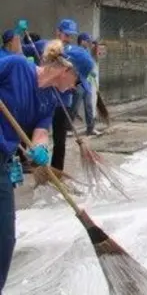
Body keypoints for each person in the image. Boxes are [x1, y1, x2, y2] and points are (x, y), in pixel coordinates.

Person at [0, 42, 95, 290]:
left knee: (5, 239)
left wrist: (41, 148)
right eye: (77, 81)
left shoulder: (50, 99)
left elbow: (41, 131)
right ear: (67, 70)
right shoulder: (17, 66)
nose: (75, 88)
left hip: (2, 161)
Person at [22, 19, 80, 171]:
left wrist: (41, 146)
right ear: (58, 32)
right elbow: (21, 51)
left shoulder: (72, 53)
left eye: (71, 36)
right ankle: (26, 162)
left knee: (58, 139)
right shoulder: (41, 46)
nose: (68, 38)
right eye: (66, 34)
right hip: (39, 95)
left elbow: (42, 129)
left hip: (61, 102)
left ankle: (55, 171)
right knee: (26, 131)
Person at [69, 32, 98, 136]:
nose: (90, 43)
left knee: (89, 106)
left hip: (87, 83)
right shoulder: (75, 52)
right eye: (88, 41)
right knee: (74, 107)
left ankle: (90, 129)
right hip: (79, 83)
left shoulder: (87, 52)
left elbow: (89, 67)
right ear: (82, 41)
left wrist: (91, 75)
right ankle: (68, 129)